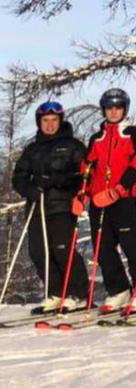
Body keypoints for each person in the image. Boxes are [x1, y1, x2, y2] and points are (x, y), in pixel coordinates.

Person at [11, 101, 88, 313]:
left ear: (60, 121)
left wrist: (57, 181)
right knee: (39, 252)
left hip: (62, 206)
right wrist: (30, 190)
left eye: (54, 120)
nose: (50, 124)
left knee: (62, 250)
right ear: (39, 122)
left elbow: (83, 175)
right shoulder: (33, 149)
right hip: (38, 207)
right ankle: (55, 293)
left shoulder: (73, 146)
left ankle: (78, 293)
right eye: (46, 120)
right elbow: (19, 177)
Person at [83, 88, 136, 313]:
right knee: (102, 248)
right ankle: (119, 290)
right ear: (103, 110)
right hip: (99, 200)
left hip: (122, 199)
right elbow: (88, 167)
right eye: (109, 108)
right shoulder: (96, 138)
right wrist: (83, 193)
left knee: (131, 245)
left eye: (118, 107)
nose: (114, 112)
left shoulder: (133, 133)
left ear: (125, 109)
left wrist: (121, 187)